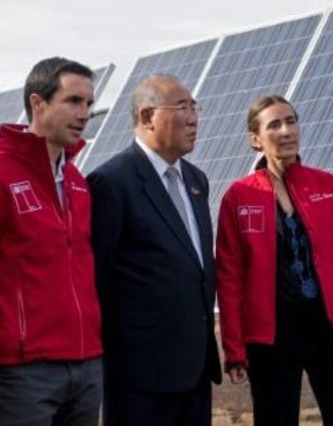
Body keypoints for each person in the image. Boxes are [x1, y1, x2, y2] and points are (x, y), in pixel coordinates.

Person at [0, 57, 103, 425]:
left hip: (86, 368)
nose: (84, 114)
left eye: (89, 104)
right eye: (73, 101)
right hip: (24, 373)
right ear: (37, 103)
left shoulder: (78, 183)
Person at [215, 95, 333, 425]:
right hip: (271, 337)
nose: (286, 131)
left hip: (330, 331)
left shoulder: (328, 186)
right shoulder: (239, 196)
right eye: (274, 125)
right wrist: (234, 349)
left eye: (291, 121)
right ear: (255, 139)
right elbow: (230, 279)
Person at [87, 74, 221, 426]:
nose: (193, 118)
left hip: (194, 370)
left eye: (195, 107)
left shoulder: (196, 181)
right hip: (140, 376)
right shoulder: (111, 183)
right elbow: (96, 282)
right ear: (147, 117)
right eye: (182, 107)